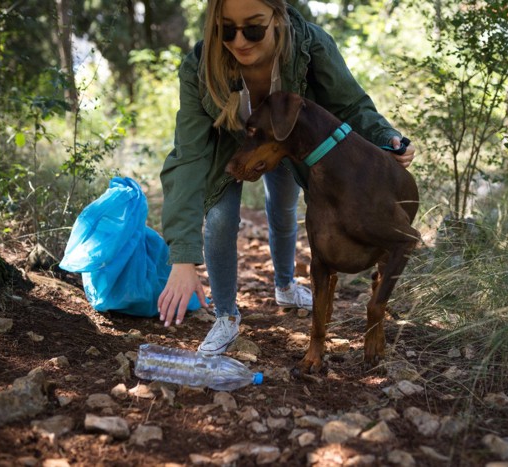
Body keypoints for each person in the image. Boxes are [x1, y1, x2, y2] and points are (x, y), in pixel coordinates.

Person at [158, 0, 416, 356]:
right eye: (225, 29)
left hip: (292, 146)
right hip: (232, 147)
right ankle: (226, 317)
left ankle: (285, 285)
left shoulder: (311, 46)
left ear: (277, 18)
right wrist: (183, 259)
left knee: (282, 208)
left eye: (253, 28)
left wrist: (384, 136)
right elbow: (188, 157)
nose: (238, 41)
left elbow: (350, 105)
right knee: (219, 220)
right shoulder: (199, 68)